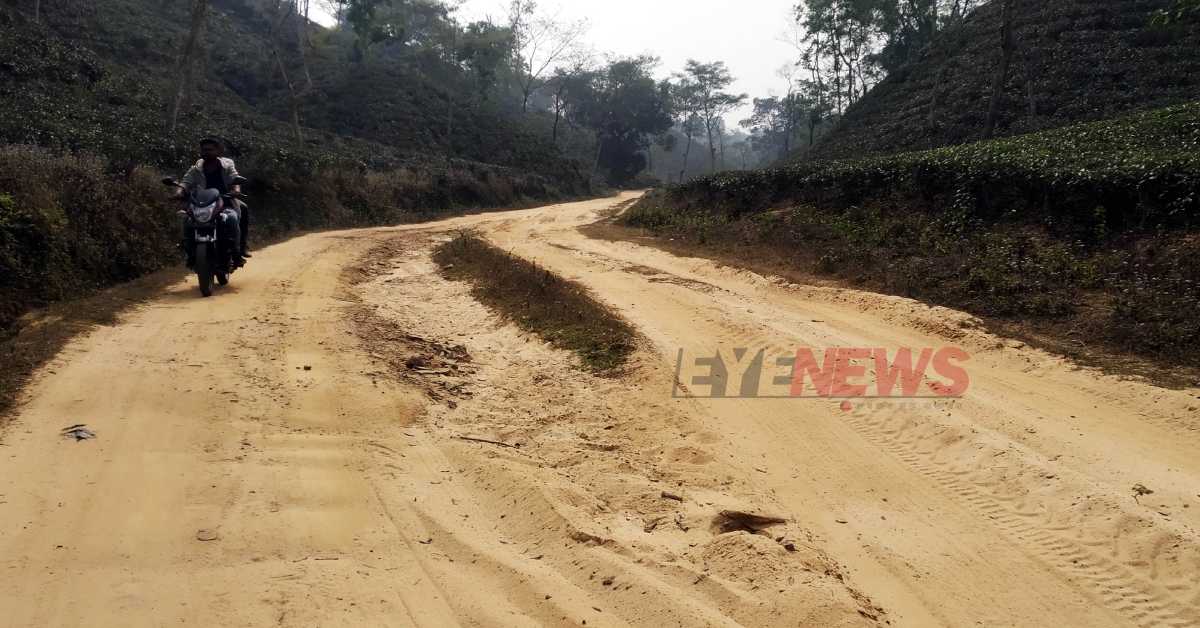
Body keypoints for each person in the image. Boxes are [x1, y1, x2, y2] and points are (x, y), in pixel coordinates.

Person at [176, 138, 251, 266]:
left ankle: (237, 251)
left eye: (209, 150)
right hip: (202, 204)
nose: (206, 152)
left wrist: (236, 190)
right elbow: (185, 182)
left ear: (218, 151)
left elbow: (234, 178)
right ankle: (189, 252)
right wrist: (179, 192)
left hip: (225, 201)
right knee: (187, 220)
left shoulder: (227, 165)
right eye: (204, 150)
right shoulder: (196, 168)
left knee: (233, 218)